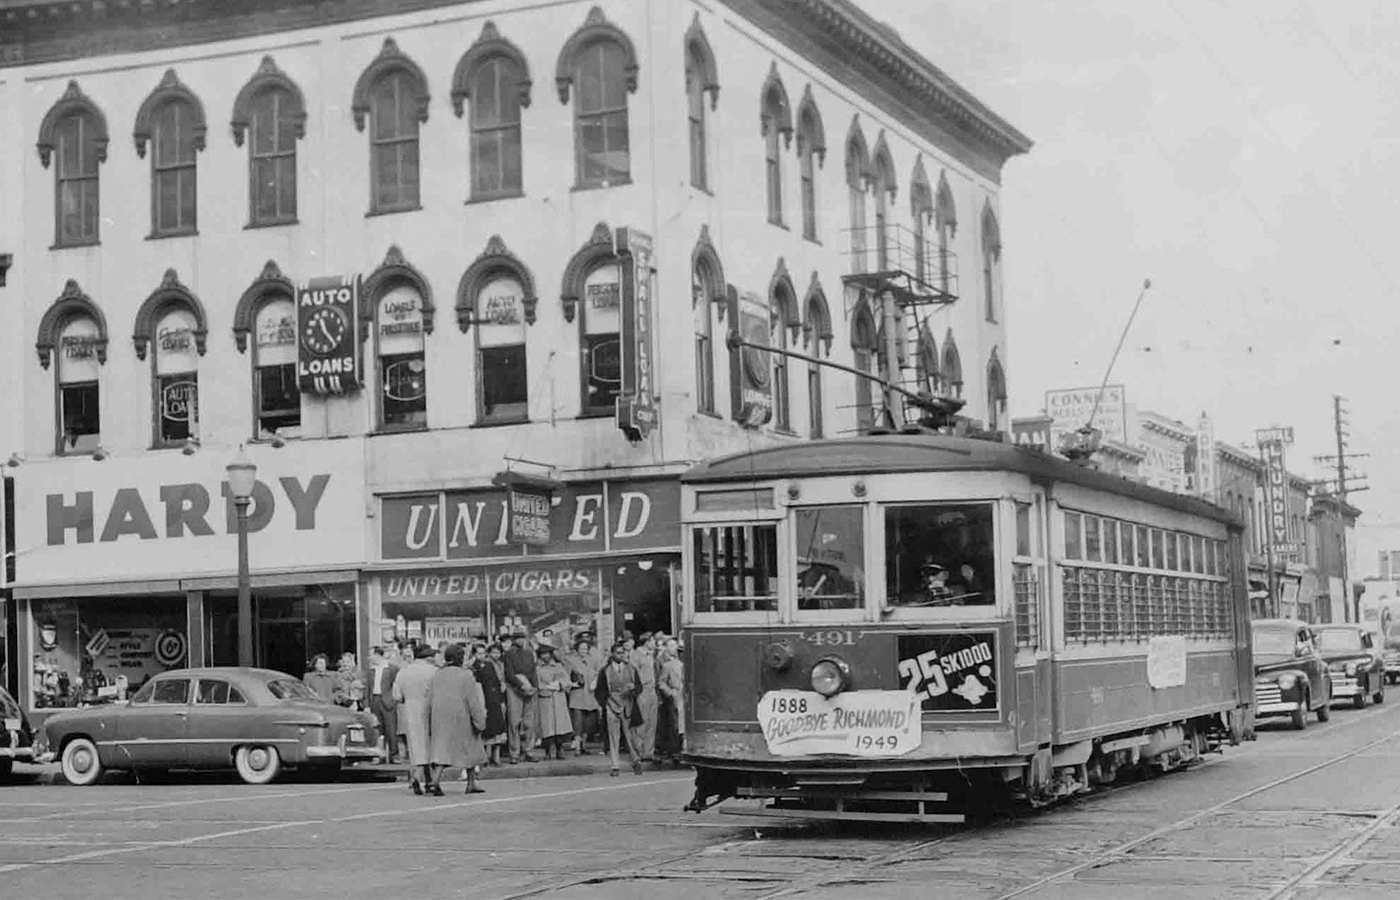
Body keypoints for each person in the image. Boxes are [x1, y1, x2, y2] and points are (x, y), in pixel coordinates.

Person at [428, 644, 488, 796]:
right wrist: (480, 721)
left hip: (440, 717)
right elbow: (473, 701)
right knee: (470, 750)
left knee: (442, 751)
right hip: (462, 717)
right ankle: (470, 783)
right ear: (460, 658)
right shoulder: (466, 675)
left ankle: (435, 781)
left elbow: (429, 699)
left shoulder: (437, 675)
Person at [391, 644, 439, 795]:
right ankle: (430, 781)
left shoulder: (404, 672)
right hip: (432, 711)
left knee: (417, 747)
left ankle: (418, 776)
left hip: (411, 712)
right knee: (432, 747)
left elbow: (396, 696)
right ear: (427, 657)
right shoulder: (435, 671)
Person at [594, 640, 645, 777]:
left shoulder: (631, 668)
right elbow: (599, 690)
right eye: (618, 653)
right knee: (613, 737)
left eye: (623, 652)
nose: (621, 655)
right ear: (612, 654)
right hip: (611, 705)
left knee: (630, 737)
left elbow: (639, 687)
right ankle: (615, 765)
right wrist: (605, 703)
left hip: (627, 705)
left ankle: (636, 761)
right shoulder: (605, 671)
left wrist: (633, 690)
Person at [563, 633, 602, 755]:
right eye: (582, 648)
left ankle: (584, 745)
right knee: (578, 722)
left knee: (588, 723)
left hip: (590, 695)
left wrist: (595, 681)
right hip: (578, 695)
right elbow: (565, 676)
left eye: (586, 648)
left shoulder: (593, 660)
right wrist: (572, 684)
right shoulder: (571, 660)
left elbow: (598, 673)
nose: (584, 651)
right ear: (577, 649)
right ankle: (577, 747)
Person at [503, 630, 539, 763]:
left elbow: (533, 671)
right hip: (514, 689)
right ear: (513, 640)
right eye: (518, 638)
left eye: (522, 638)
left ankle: (529, 750)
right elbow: (509, 673)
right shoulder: (508, 654)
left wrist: (535, 686)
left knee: (529, 722)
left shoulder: (529, 654)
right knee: (514, 722)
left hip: (529, 689)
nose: (520, 640)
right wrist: (520, 684)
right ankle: (514, 753)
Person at [533, 645, 574, 760]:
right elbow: (536, 683)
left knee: (560, 726)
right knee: (547, 727)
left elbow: (567, 681)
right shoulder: (537, 669)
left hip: (558, 698)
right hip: (545, 699)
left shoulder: (558, 667)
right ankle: (548, 750)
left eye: (547, 653)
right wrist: (546, 687)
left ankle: (560, 749)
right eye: (542, 654)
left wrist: (560, 684)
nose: (545, 656)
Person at [472, 643, 508, 766]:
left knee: (498, 728)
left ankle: (496, 757)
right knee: (486, 730)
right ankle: (485, 757)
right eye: (479, 653)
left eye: (483, 653)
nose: (482, 655)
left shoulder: (489, 665)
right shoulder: (473, 668)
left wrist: (501, 699)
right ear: (474, 654)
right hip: (482, 700)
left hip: (494, 700)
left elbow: (496, 682)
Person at [367, 646, 401, 763]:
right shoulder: (371, 671)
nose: (369, 658)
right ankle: (378, 755)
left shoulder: (392, 669)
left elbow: (396, 686)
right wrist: (367, 705)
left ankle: (394, 755)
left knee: (391, 728)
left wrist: (392, 699)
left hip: (387, 701)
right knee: (377, 729)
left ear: (377, 655)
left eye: (371, 655)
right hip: (375, 700)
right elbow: (368, 688)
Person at [655, 640, 685, 767]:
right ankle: (675, 753)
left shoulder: (694, 665)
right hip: (676, 697)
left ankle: (684, 750)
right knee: (675, 726)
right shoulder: (669, 666)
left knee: (685, 727)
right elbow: (661, 682)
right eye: (680, 652)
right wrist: (670, 693)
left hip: (688, 699)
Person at [631, 632, 660, 761]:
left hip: (652, 690)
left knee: (651, 723)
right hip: (642, 690)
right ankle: (638, 751)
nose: (655, 644)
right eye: (653, 641)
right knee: (641, 722)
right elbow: (632, 674)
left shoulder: (652, 655)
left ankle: (648, 752)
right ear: (647, 641)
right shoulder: (636, 655)